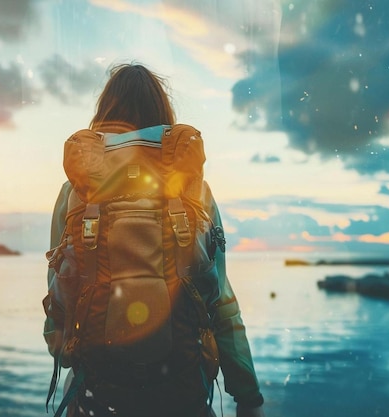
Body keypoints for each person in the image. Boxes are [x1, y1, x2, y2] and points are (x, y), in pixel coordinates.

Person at [44, 63, 265, 417]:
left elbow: (61, 300)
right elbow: (221, 303)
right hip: (183, 396)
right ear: (164, 117)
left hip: (97, 396)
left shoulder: (75, 195)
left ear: (104, 115)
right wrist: (248, 397)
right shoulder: (194, 191)